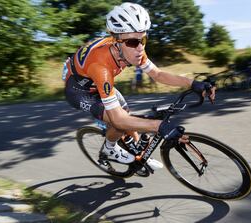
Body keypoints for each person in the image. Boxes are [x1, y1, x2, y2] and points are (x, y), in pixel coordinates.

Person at [63, 2, 216, 171]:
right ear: (116, 42)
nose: (140, 48)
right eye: (133, 42)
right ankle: (109, 149)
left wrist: (193, 83)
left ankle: (139, 156)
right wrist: (159, 126)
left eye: (143, 39)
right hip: (79, 90)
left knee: (129, 117)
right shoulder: (101, 65)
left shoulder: (133, 49)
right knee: (119, 123)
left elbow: (157, 75)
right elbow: (118, 120)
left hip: (98, 82)